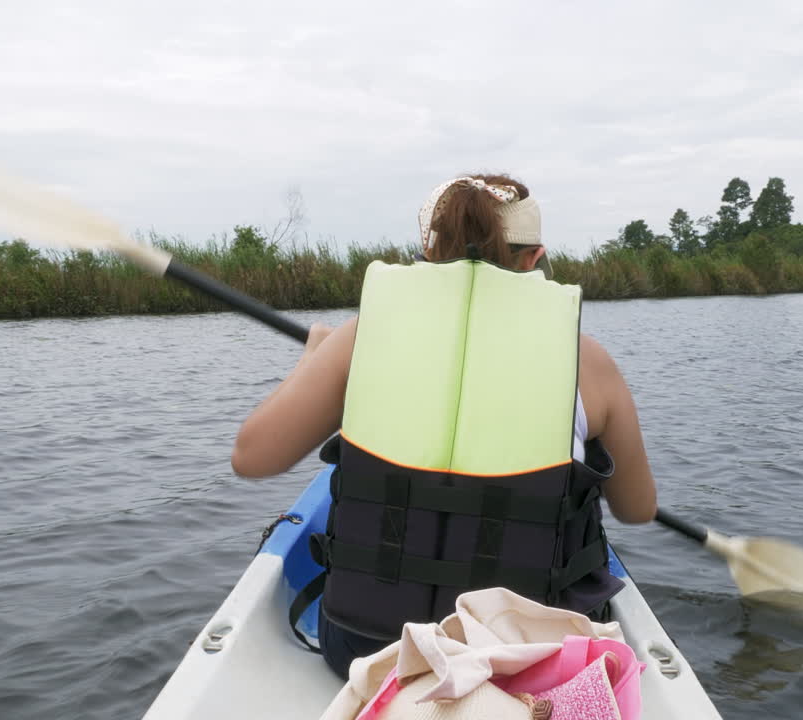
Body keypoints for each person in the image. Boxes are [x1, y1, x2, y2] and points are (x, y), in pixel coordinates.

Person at [232, 174, 657, 678]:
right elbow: (637, 508)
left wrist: (314, 359)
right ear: (533, 258)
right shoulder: (588, 362)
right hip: (523, 662)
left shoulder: (359, 339)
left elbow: (252, 457)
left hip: (368, 649)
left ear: (428, 252)